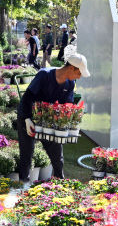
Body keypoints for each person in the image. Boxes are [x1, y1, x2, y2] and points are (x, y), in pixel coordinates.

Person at [17, 53, 90, 182]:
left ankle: (59, 183)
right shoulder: (44, 75)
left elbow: (67, 107)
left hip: (50, 122)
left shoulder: (70, 83)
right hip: (29, 117)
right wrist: (27, 119)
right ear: (71, 68)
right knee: (27, 153)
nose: (80, 76)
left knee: (57, 155)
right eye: (79, 73)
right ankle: (23, 184)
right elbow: (26, 98)